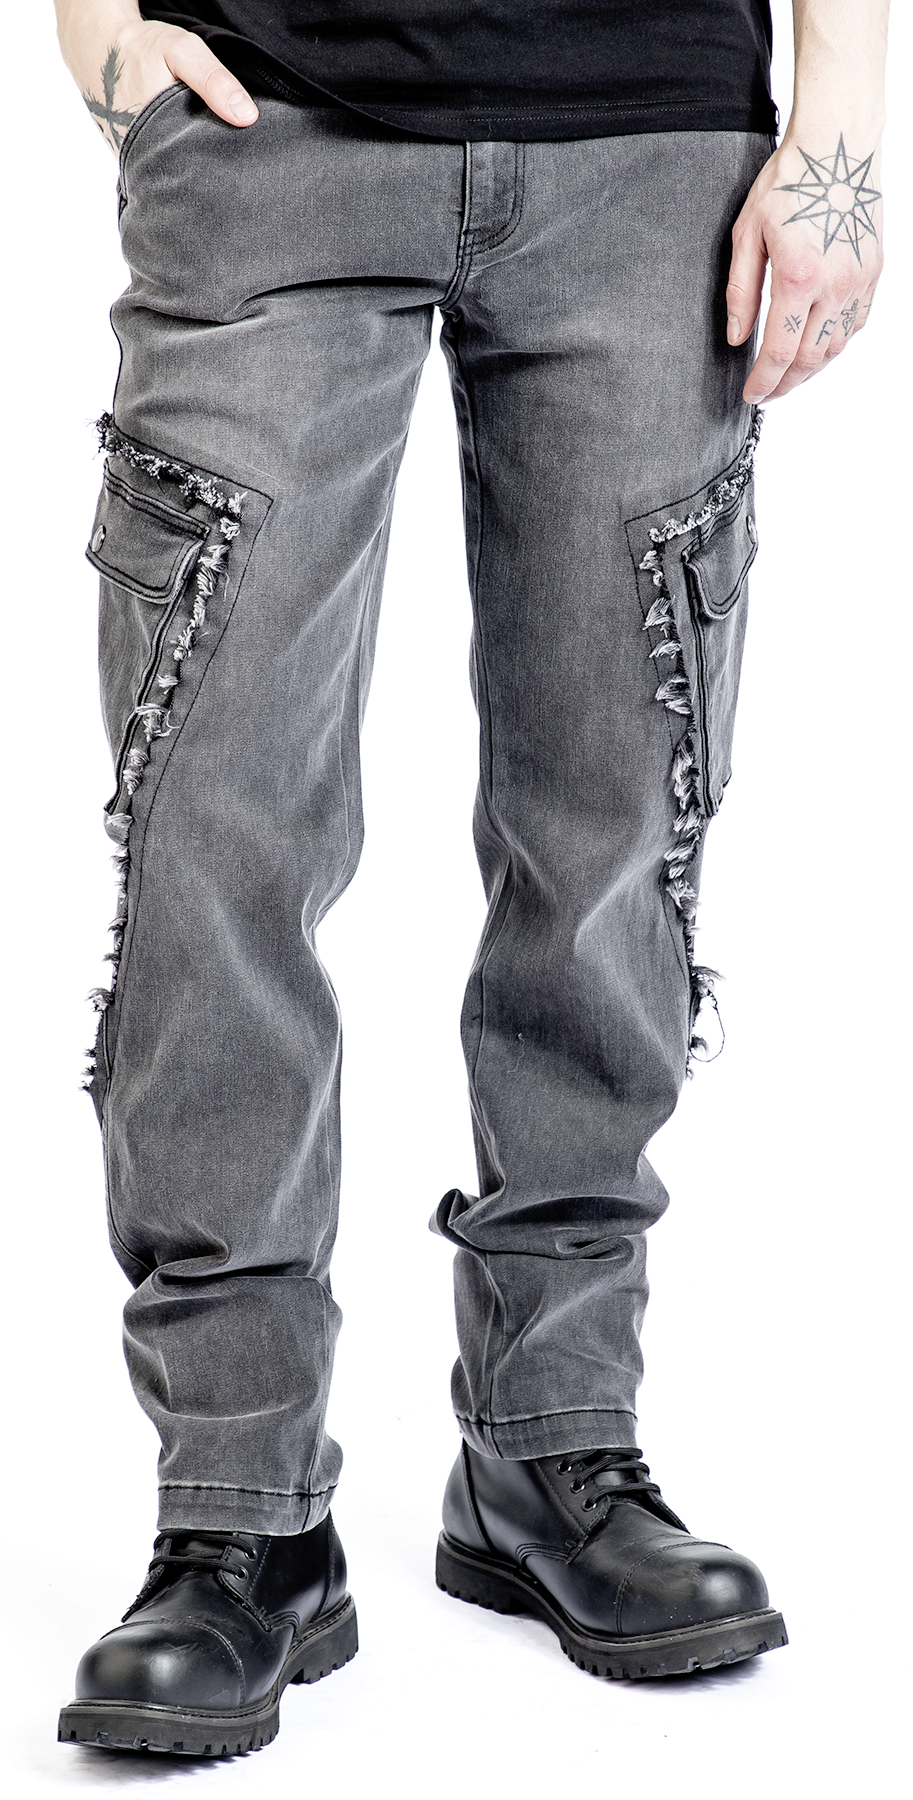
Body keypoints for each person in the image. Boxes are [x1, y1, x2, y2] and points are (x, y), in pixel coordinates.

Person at [53, 0, 886, 1760]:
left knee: (611, 835)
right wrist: (89, 25)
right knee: (214, 833)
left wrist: (839, 129)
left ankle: (553, 1438)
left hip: (652, 142)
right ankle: (239, 1510)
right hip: (270, 128)